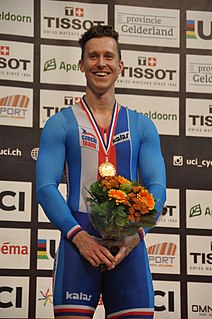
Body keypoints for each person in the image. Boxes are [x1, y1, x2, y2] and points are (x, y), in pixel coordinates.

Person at [36, 25, 166, 319]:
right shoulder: (61, 124)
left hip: (130, 248)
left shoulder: (142, 126)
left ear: (120, 65)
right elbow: (45, 187)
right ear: (81, 65)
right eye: (93, 56)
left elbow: (157, 186)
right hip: (77, 245)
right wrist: (78, 236)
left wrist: (137, 234)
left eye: (108, 56)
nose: (101, 63)